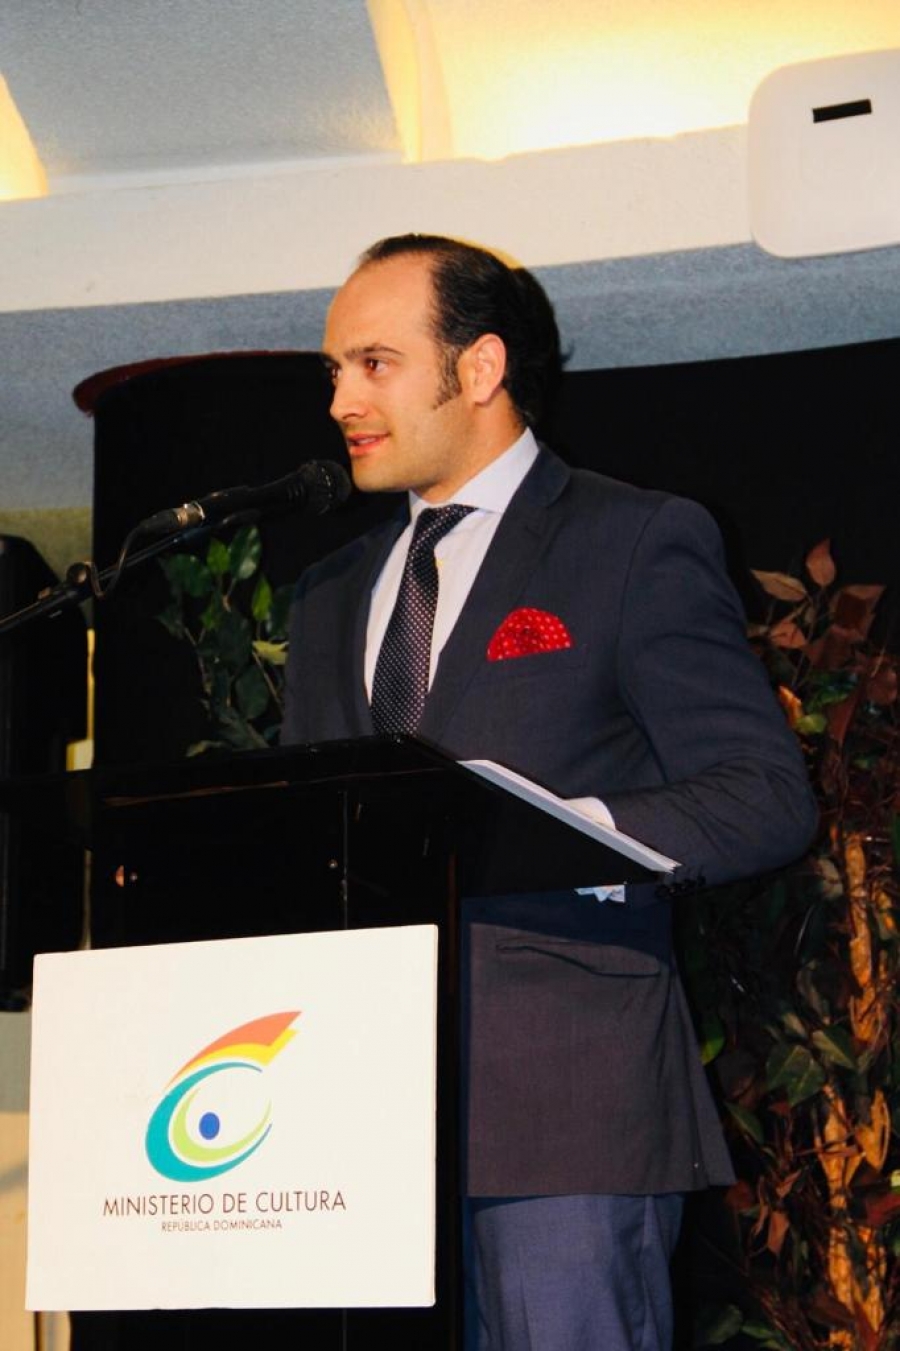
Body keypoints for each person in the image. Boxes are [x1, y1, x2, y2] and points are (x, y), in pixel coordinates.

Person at [281, 234, 817, 1350]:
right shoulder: (330, 594)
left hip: (566, 1113)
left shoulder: (631, 540)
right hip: (355, 1126)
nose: (340, 400)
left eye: (374, 364)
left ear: (478, 368)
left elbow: (766, 795)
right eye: (334, 370)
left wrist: (563, 832)